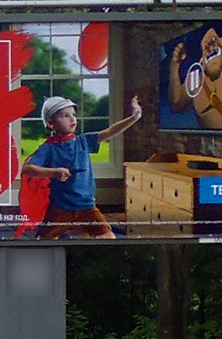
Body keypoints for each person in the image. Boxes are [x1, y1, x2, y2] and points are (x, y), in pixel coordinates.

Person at [20, 95, 143, 240]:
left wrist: (133, 118)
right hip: (60, 208)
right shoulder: (47, 148)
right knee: (43, 242)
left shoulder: (84, 141)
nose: (72, 119)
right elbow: (27, 169)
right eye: (65, 116)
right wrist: (53, 172)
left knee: (108, 236)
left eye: (73, 114)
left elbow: (110, 132)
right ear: (51, 123)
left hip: (87, 207)